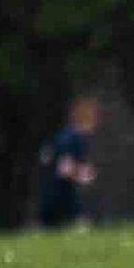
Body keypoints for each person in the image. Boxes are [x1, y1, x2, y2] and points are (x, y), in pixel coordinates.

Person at [38, 96, 98, 228]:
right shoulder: (73, 139)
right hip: (60, 193)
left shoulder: (65, 135)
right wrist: (83, 177)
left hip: (50, 192)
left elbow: (46, 157)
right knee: (80, 224)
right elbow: (64, 169)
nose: (95, 123)